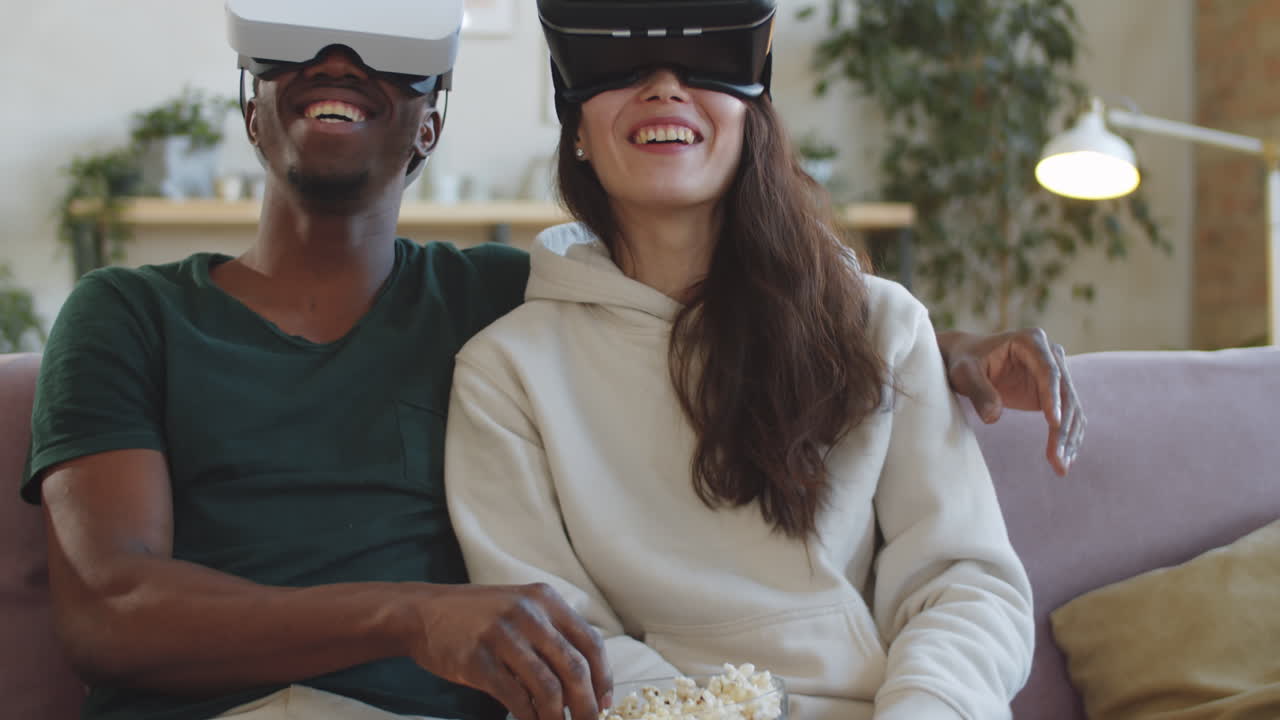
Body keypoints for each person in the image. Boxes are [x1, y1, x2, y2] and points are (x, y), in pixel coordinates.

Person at [24, 3, 1071, 719]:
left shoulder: (486, 300)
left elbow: (712, 309)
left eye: (377, 62)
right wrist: (410, 611)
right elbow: (111, 611)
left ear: (431, 121)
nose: (335, 71)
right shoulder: (133, 315)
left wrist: (935, 344)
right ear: (248, 111)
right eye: (297, 58)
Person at [445, 2, 1034, 719]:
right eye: (621, 67)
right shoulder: (505, 374)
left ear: (755, 108)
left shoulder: (883, 326)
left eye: (703, 63)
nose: (664, 88)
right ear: (577, 132)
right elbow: (556, 638)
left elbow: (963, 585)